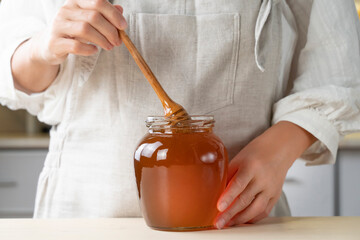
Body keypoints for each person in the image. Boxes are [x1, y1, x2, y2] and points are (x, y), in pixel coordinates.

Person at [0, 0, 359, 229]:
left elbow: (337, 72)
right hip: (87, 213)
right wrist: (44, 48)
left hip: (234, 217)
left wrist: (278, 150)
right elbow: (12, 66)